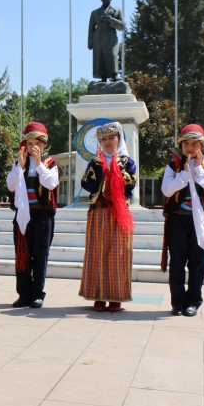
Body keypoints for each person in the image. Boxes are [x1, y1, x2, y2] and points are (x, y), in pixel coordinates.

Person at [161, 125, 204, 317]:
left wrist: (198, 172)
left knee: (198, 262)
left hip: (201, 222)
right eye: (186, 143)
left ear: (202, 146)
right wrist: (185, 174)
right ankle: (177, 302)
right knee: (177, 262)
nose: (190, 148)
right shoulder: (172, 166)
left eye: (195, 143)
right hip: (178, 220)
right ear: (181, 144)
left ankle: (193, 302)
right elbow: (167, 190)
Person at [79, 122, 137, 312]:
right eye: (104, 139)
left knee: (118, 255)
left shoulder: (128, 162)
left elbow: (130, 185)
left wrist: (114, 168)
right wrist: (99, 164)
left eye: (112, 137)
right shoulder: (95, 161)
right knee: (97, 253)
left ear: (119, 139)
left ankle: (115, 297)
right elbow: (87, 185)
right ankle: (98, 296)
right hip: (99, 211)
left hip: (119, 212)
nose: (108, 142)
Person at [6, 123, 60, 309]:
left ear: (44, 145)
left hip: (41, 215)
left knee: (40, 255)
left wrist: (38, 164)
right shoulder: (19, 163)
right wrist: (19, 168)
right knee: (22, 254)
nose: (33, 147)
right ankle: (24, 293)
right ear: (24, 145)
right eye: (29, 144)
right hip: (22, 214)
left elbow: (51, 183)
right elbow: (11, 186)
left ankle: (38, 294)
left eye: (37, 143)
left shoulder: (50, 164)